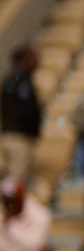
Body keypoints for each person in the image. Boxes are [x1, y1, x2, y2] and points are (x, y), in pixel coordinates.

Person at [0, 45, 40, 180]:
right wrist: (30, 131)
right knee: (16, 179)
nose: (35, 62)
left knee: (12, 178)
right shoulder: (22, 82)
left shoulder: (10, 80)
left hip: (10, 133)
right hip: (19, 136)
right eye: (32, 58)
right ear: (23, 60)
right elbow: (25, 110)